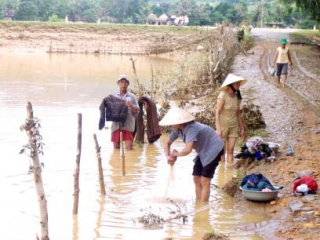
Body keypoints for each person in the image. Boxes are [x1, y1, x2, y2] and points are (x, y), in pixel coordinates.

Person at [159, 106, 224, 202]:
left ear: (180, 122)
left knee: (205, 180)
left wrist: (176, 154)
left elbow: (187, 150)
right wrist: (168, 156)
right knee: (197, 179)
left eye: (173, 122)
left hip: (214, 148)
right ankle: (198, 204)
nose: (171, 125)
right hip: (203, 151)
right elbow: (167, 143)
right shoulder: (177, 130)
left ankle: (203, 208)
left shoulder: (191, 128)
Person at [215, 73, 246, 164]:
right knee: (222, 151)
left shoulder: (237, 97)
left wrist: (242, 128)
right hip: (223, 126)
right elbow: (217, 112)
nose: (238, 86)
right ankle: (221, 173)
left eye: (238, 84)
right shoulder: (222, 96)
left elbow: (238, 113)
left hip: (234, 126)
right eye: (236, 84)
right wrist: (218, 129)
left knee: (230, 149)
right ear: (230, 85)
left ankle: (229, 170)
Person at [111, 74, 139, 150]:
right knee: (116, 149)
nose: (123, 84)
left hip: (128, 126)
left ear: (128, 84)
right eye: (121, 82)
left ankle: (129, 161)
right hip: (116, 126)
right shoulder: (114, 96)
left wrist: (130, 106)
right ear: (118, 83)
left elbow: (137, 111)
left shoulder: (132, 97)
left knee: (129, 148)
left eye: (125, 82)